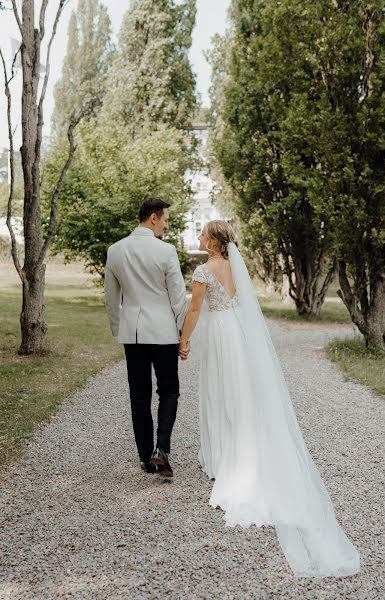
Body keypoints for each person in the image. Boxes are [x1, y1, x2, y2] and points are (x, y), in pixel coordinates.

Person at [179, 220, 360, 578]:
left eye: (203, 234)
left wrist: (183, 340)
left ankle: (220, 459)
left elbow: (196, 310)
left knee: (218, 392)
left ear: (214, 241)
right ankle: (231, 450)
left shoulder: (204, 270)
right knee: (238, 392)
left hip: (218, 335)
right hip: (237, 334)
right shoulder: (236, 267)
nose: (199, 238)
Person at [104, 198, 187, 477]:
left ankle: (145, 458)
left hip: (134, 334)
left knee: (139, 396)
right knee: (169, 390)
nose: (166, 225)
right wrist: (182, 332)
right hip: (163, 333)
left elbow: (111, 299)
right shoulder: (166, 251)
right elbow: (177, 297)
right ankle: (161, 449)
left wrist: (120, 330)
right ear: (153, 218)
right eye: (165, 220)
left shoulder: (115, 251)